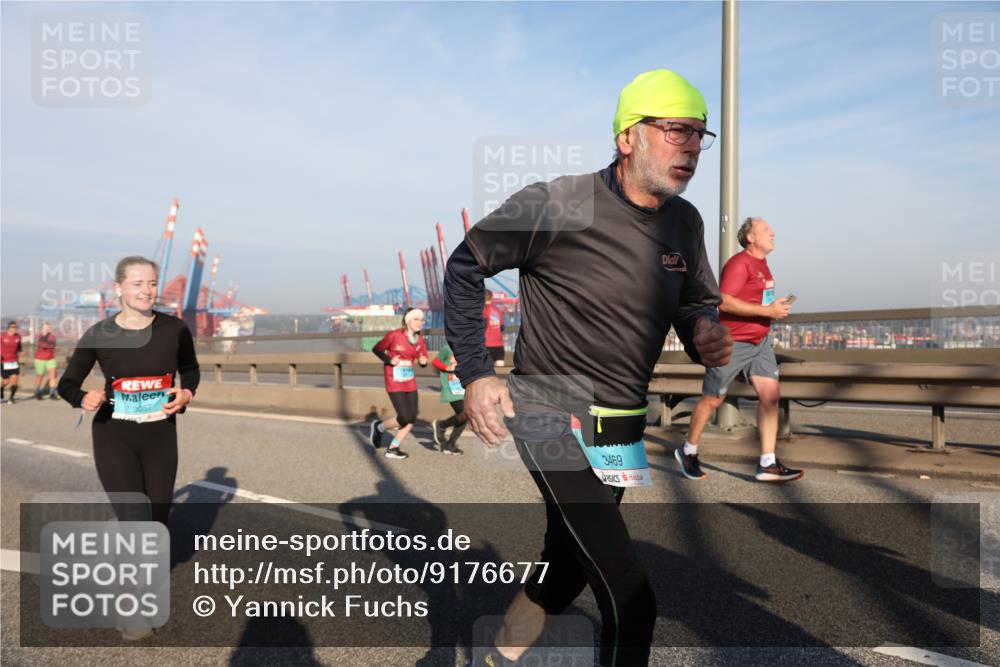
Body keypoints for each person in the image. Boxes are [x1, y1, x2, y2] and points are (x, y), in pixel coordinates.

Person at [445, 69, 732, 667]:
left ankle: (495, 657)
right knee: (630, 596)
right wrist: (477, 372)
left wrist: (702, 327)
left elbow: (694, 299)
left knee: (566, 566)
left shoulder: (686, 221)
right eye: (676, 130)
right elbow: (466, 266)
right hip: (550, 409)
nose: (691, 148)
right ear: (628, 137)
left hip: (623, 423)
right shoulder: (559, 202)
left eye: (700, 135)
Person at [58, 256, 199, 527]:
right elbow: (67, 384)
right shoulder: (98, 334)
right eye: (137, 284)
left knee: (158, 520)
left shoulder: (175, 329)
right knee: (134, 518)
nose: (146, 291)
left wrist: (186, 394)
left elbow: (191, 370)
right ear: (118, 287)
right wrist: (82, 397)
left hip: (161, 436)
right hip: (114, 436)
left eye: (152, 283)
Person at [677, 217, 803, 483]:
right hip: (732, 342)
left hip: (760, 343)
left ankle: (767, 463)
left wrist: (772, 309)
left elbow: (756, 300)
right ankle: (688, 451)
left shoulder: (763, 265)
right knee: (713, 399)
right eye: (766, 230)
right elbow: (724, 301)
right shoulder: (739, 263)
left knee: (770, 397)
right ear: (750, 237)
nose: (773, 232)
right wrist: (767, 311)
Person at [368, 308, 428, 460]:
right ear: (408, 321)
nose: (420, 323)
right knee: (405, 416)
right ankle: (379, 427)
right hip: (394, 380)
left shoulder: (420, 340)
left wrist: (423, 361)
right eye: (416, 319)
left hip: (409, 380)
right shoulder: (394, 336)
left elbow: (423, 358)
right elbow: (377, 349)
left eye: (422, 320)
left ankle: (393, 448)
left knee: (412, 417)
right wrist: (389, 360)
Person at [431, 342, 467, 455]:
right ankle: (441, 425)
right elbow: (435, 362)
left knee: (465, 416)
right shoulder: (447, 348)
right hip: (451, 387)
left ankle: (449, 445)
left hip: (463, 387)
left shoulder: (470, 349)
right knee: (465, 413)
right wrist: (447, 367)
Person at [34, 322, 59, 400]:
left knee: (53, 376)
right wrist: (44, 334)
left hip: (50, 359)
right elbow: (41, 345)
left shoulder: (53, 337)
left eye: (48, 328)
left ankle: (52, 392)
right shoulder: (39, 336)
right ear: (42, 329)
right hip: (40, 359)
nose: (47, 329)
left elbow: (54, 346)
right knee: (40, 376)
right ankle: (37, 391)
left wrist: (56, 348)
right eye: (45, 328)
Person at [1, 321, 23, 404]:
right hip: (4, 361)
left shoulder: (18, 337)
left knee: (15, 381)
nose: (14, 329)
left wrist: (21, 352)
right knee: (6, 381)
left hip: (14, 361)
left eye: (15, 327)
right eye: (12, 327)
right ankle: (1, 389)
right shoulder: (2, 336)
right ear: (9, 328)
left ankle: (11, 398)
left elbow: (19, 348)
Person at [483, 290, 506, 367]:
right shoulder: (498, 310)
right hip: (498, 344)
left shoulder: (482, 310)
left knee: (486, 369)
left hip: (486, 344)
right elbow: (502, 327)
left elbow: (481, 327)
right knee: (500, 366)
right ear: (492, 297)